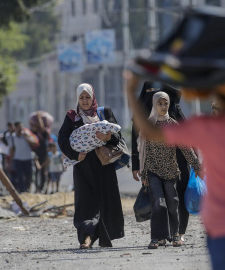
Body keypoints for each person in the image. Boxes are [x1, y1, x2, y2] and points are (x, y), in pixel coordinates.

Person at [125, 6, 225, 268]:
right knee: (164, 201)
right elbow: (147, 135)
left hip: (217, 226)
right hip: (216, 226)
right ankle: (163, 235)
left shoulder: (200, 125)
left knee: (174, 200)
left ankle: (176, 233)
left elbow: (155, 134)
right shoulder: (202, 126)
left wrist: (130, 87)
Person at [58, 83, 124, 249]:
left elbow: (118, 137)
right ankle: (86, 237)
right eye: (82, 97)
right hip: (83, 167)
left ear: (93, 97)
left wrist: (107, 138)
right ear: (77, 99)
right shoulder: (72, 117)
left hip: (104, 166)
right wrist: (75, 155)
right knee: (85, 202)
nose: (85, 100)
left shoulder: (104, 113)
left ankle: (104, 236)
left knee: (105, 201)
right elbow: (63, 140)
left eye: (88, 97)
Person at [136, 91, 201, 249]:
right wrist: (144, 174)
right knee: (158, 203)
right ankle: (156, 238)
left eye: (166, 103)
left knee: (172, 202)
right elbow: (144, 153)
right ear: (154, 105)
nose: (163, 106)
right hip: (153, 170)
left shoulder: (173, 124)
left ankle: (175, 234)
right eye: (160, 103)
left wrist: (196, 165)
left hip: (171, 170)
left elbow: (185, 147)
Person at [9, 122, 38, 193]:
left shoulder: (27, 134)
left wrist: (26, 137)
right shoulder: (12, 137)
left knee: (29, 176)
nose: (21, 129)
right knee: (20, 177)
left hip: (28, 159)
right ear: (15, 128)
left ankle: (28, 190)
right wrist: (10, 161)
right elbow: (12, 149)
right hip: (18, 159)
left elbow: (34, 143)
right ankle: (22, 191)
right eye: (19, 127)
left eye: (21, 127)